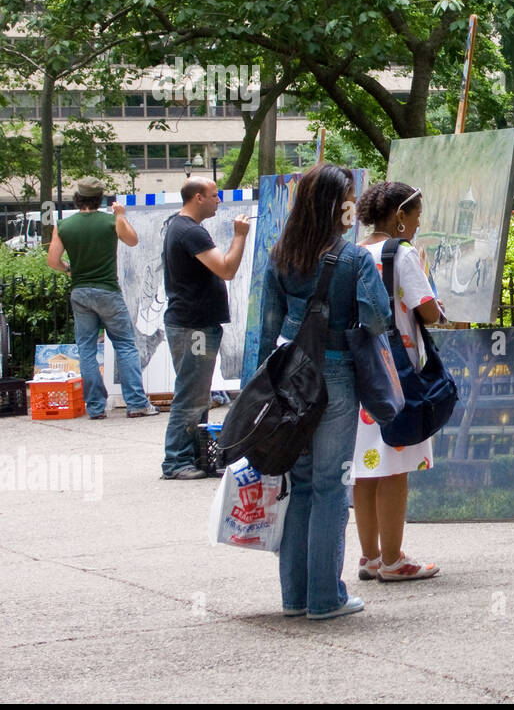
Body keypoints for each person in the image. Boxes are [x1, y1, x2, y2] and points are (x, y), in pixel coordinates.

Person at [259, 164, 391, 620]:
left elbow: (266, 330)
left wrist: (262, 391)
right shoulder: (353, 259)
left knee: (302, 486)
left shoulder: (280, 255)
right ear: (340, 206)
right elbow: (377, 319)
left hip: (291, 379)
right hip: (336, 376)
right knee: (333, 488)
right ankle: (325, 598)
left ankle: (294, 597)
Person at [352, 182, 445, 583]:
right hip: (398, 372)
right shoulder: (401, 254)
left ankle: (370, 557)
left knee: (365, 467)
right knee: (394, 466)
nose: (419, 222)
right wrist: (440, 308)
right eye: (417, 214)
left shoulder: (353, 252)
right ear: (400, 215)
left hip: (359, 372)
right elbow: (427, 313)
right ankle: (393, 560)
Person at [159, 178, 250, 480]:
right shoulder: (190, 231)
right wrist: (240, 236)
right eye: (214, 196)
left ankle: (195, 455)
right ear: (198, 198)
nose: (218, 201)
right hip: (194, 327)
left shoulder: (180, 226)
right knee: (192, 394)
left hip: (191, 324)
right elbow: (226, 268)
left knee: (196, 391)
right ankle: (176, 461)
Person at [46, 176, 156, 421]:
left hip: (80, 291)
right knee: (125, 345)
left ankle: (95, 407)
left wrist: (68, 269)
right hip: (108, 291)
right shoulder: (109, 222)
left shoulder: (64, 225)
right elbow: (132, 240)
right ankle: (137, 403)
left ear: (77, 198)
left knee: (86, 349)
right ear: (100, 198)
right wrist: (120, 216)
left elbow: (52, 260)